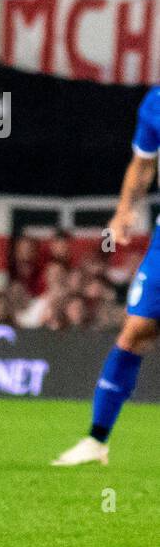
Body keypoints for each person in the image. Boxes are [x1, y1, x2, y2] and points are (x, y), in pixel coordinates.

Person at [52, 88, 160, 466]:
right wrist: (123, 211)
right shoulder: (155, 103)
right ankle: (97, 439)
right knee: (135, 331)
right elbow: (143, 164)